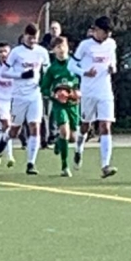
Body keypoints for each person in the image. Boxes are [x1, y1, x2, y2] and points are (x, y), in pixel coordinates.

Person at [0, 24, 51, 175]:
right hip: (19, 96)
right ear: (24, 36)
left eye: (35, 38)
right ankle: (5, 139)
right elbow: (3, 72)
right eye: (30, 37)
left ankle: (31, 163)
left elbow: (48, 71)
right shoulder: (16, 52)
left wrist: (46, 84)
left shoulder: (42, 52)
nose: (32, 40)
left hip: (35, 95)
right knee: (15, 130)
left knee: (35, 126)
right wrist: (21, 75)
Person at [71, 17, 118, 179]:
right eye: (105, 32)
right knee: (85, 125)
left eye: (109, 33)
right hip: (89, 92)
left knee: (105, 126)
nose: (107, 36)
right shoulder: (85, 45)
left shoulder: (111, 44)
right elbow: (71, 65)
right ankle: (78, 149)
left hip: (105, 91)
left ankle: (105, 165)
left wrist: (112, 68)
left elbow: (113, 62)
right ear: (96, 30)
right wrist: (84, 73)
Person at [40, 37, 80, 177]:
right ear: (53, 50)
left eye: (63, 46)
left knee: (73, 137)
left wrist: (78, 92)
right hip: (59, 105)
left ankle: (58, 142)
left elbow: (83, 81)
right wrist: (54, 95)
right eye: (58, 47)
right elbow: (44, 88)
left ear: (68, 48)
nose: (61, 49)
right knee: (64, 132)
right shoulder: (52, 69)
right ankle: (64, 166)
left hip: (73, 104)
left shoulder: (75, 65)